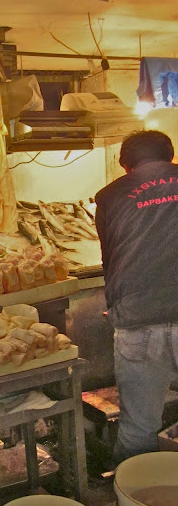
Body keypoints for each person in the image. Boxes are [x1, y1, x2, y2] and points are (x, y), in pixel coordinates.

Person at [95, 130, 178, 464]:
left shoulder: (110, 196)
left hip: (137, 321)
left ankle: (134, 494)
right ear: (170, 156)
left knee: (139, 429)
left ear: (125, 165)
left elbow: (110, 260)